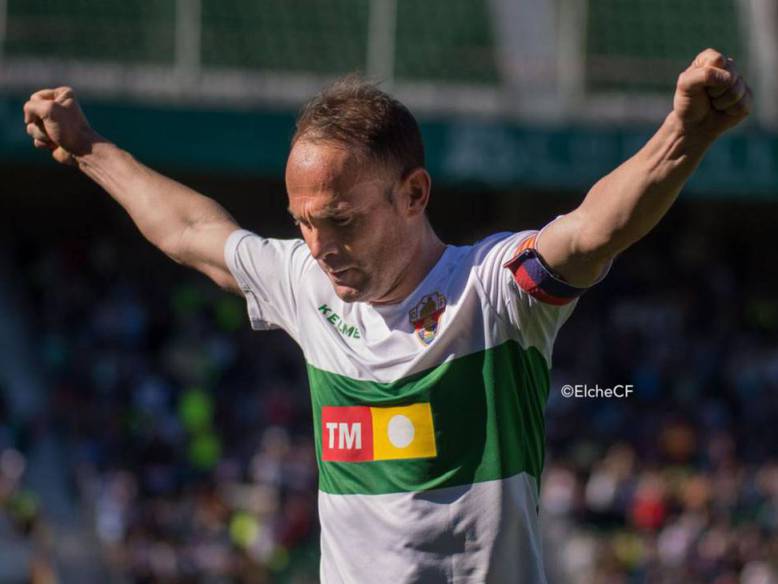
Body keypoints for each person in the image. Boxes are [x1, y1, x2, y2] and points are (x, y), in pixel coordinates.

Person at [22, 48, 751, 583]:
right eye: (303, 222)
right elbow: (189, 231)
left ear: (414, 193)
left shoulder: (494, 291)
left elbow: (593, 228)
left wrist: (683, 136)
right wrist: (90, 150)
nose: (320, 246)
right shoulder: (303, 284)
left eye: (341, 220)